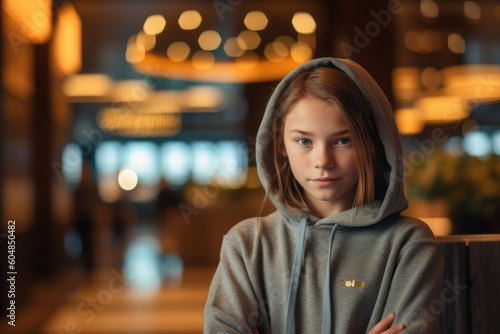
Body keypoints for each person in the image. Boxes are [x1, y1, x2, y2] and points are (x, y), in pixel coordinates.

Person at [204, 58, 444, 333]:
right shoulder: (247, 244)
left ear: (373, 142)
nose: (323, 160)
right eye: (304, 141)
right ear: (281, 143)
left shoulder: (409, 244)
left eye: (343, 140)